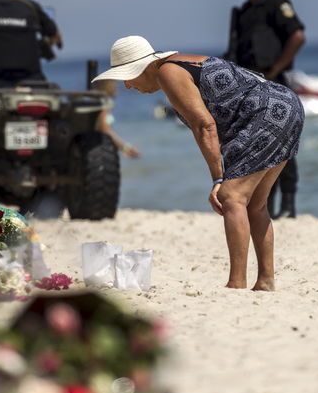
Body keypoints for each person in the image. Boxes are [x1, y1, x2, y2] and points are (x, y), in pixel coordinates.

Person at [93, 36, 304, 291]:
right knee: (255, 204)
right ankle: (265, 280)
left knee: (231, 197)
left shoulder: (168, 72)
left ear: (141, 67)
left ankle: (236, 284)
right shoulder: (178, 63)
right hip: (287, 105)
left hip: (266, 113)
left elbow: (205, 125)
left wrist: (218, 180)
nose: (127, 86)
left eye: (127, 77)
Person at [225, 0, 306, 219]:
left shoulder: (276, 3)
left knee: (281, 143)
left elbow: (297, 36)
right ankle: (264, 206)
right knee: (255, 145)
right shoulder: (243, 12)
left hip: (275, 84)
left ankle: (288, 206)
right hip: (250, 87)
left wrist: (276, 70)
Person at [92, 79, 140, 158]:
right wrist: (126, 147)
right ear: (108, 88)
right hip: (101, 151)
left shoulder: (99, 104)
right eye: (115, 87)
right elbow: (105, 131)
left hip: (99, 148)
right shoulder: (102, 107)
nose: (117, 90)